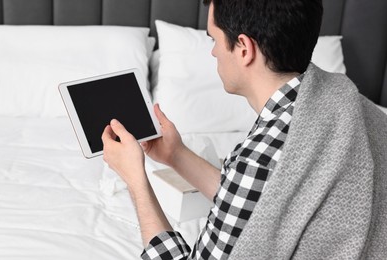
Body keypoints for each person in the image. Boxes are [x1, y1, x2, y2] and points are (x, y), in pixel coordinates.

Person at [102, 0, 387, 259]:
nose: (213, 51)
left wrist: (135, 179)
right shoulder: (342, 100)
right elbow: (257, 204)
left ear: (244, 48)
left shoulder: (259, 157)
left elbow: (254, 181)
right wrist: (175, 154)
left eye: (213, 38)